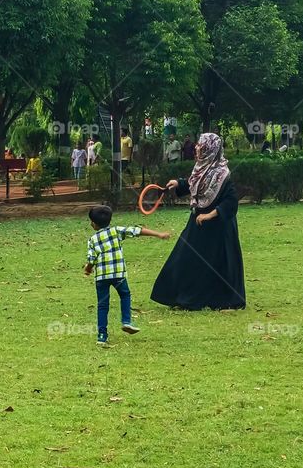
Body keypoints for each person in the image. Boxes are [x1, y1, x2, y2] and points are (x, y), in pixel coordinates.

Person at [151, 133, 246, 310]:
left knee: (217, 264)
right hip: (198, 223)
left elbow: (231, 202)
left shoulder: (222, 173)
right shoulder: (201, 167)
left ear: (210, 149)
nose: (196, 147)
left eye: (200, 145)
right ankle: (182, 298)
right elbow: (196, 185)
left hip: (218, 228)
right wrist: (178, 184)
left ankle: (218, 300)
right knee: (185, 258)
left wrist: (210, 215)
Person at [85, 206, 170, 346]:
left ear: (93, 223)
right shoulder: (116, 231)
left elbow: (91, 259)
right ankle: (126, 321)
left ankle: (102, 336)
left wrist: (88, 269)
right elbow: (138, 231)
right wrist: (159, 234)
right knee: (125, 295)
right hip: (118, 274)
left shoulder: (92, 239)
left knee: (102, 305)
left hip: (101, 277)